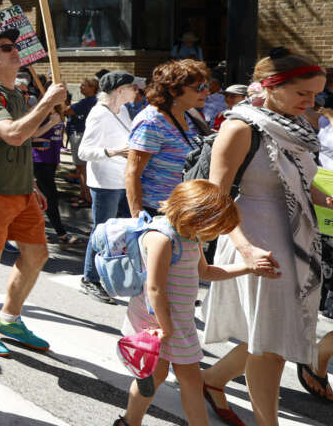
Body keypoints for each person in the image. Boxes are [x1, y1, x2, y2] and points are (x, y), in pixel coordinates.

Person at [201, 50, 327, 426]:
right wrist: (244, 249)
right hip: (255, 238)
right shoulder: (240, 127)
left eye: (316, 94)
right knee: (272, 344)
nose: (311, 103)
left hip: (298, 240)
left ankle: (212, 380)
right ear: (272, 86)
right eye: (303, 94)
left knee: (276, 332)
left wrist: (328, 200)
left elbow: (304, 185)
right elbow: (215, 198)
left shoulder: (296, 127)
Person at [113, 180, 266, 426]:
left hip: (177, 322)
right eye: (214, 227)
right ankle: (129, 422)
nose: (215, 233)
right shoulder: (162, 238)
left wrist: (247, 268)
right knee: (160, 377)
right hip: (157, 323)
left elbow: (205, 272)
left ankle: (129, 422)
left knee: (186, 381)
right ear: (195, 214)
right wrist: (166, 328)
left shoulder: (190, 237)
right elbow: (154, 288)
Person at [0, 28, 67, 357]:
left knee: (37, 255)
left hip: (21, 190)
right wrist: (47, 101)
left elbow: (26, 138)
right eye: (5, 48)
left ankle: (8, 318)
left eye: (14, 46)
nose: (15, 51)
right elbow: (14, 135)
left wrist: (32, 184)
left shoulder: (17, 95)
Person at [77, 71, 139, 303]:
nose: (137, 91)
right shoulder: (98, 114)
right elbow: (84, 152)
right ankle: (89, 279)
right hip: (104, 183)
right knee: (101, 230)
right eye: (133, 87)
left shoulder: (122, 110)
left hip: (123, 179)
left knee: (125, 230)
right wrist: (113, 152)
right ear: (120, 90)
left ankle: (122, 276)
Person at [125, 60, 209, 217]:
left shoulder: (189, 115)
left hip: (188, 210)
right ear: (173, 90)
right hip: (159, 212)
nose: (206, 92)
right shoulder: (151, 122)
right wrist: (138, 217)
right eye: (199, 88)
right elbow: (132, 173)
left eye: (206, 86)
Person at [32, 110, 78, 246]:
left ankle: (36, 231)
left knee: (40, 199)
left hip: (51, 161)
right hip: (39, 160)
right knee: (51, 198)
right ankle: (62, 235)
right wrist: (51, 122)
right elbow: (32, 135)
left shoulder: (58, 113)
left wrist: (57, 160)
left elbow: (57, 140)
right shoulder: (38, 113)